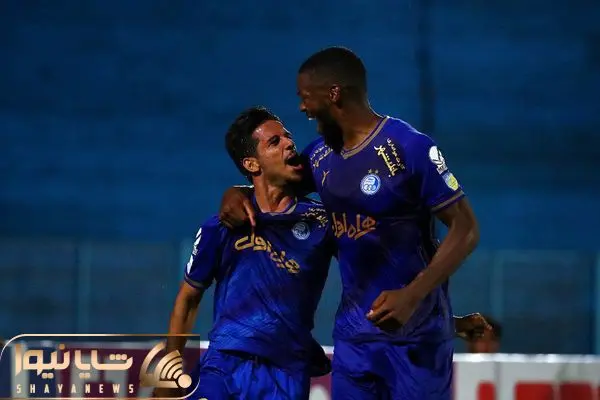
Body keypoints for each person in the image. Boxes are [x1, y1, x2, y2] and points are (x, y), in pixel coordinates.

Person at [219, 47, 480, 399]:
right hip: (354, 342)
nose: (302, 107)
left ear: (334, 93)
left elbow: (466, 229)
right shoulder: (320, 156)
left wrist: (412, 295)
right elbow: (273, 184)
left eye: (305, 96)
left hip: (417, 340)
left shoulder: (408, 147)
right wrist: (235, 192)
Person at [155, 106, 334, 400]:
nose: (290, 143)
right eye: (274, 141)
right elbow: (187, 299)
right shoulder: (221, 226)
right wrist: (167, 377)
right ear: (252, 164)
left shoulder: (322, 222)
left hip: (286, 373)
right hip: (224, 366)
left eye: (288, 136)